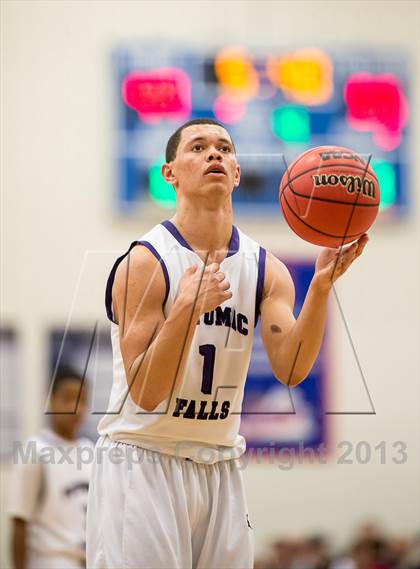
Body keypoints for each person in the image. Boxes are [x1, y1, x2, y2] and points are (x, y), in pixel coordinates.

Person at [86, 118, 368, 569]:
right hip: (143, 461)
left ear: (237, 172)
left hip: (219, 464)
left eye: (224, 148)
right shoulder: (146, 261)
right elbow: (146, 391)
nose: (214, 154)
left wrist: (319, 288)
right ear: (170, 173)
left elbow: (291, 369)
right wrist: (186, 309)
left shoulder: (266, 268)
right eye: (197, 147)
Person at [9, 366, 91, 569]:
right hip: (49, 561)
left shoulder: (93, 451)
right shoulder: (34, 450)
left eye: (81, 400)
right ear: (51, 400)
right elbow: (19, 521)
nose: (76, 407)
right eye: (68, 398)